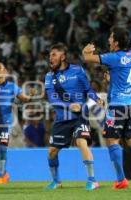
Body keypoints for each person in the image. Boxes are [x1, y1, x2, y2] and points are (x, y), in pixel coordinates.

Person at [82, 23, 131, 189]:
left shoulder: (114, 57)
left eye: (111, 37)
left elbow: (88, 59)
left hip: (117, 106)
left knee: (112, 140)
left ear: (116, 43)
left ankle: (120, 179)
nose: (109, 40)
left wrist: (85, 51)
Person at [45, 43, 103, 190]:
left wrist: (96, 98)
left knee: (81, 142)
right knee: (52, 152)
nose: (50, 58)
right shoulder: (49, 76)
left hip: (80, 115)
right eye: (50, 55)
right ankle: (56, 181)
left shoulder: (78, 70)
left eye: (54, 55)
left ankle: (92, 180)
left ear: (63, 56)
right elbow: (52, 98)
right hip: (62, 118)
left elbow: (88, 89)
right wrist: (68, 106)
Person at [0, 61, 35, 184]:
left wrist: (30, 96)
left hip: (5, 122)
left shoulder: (12, 87)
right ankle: (4, 173)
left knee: (2, 148)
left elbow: (24, 99)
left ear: (5, 71)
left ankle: (0, 175)